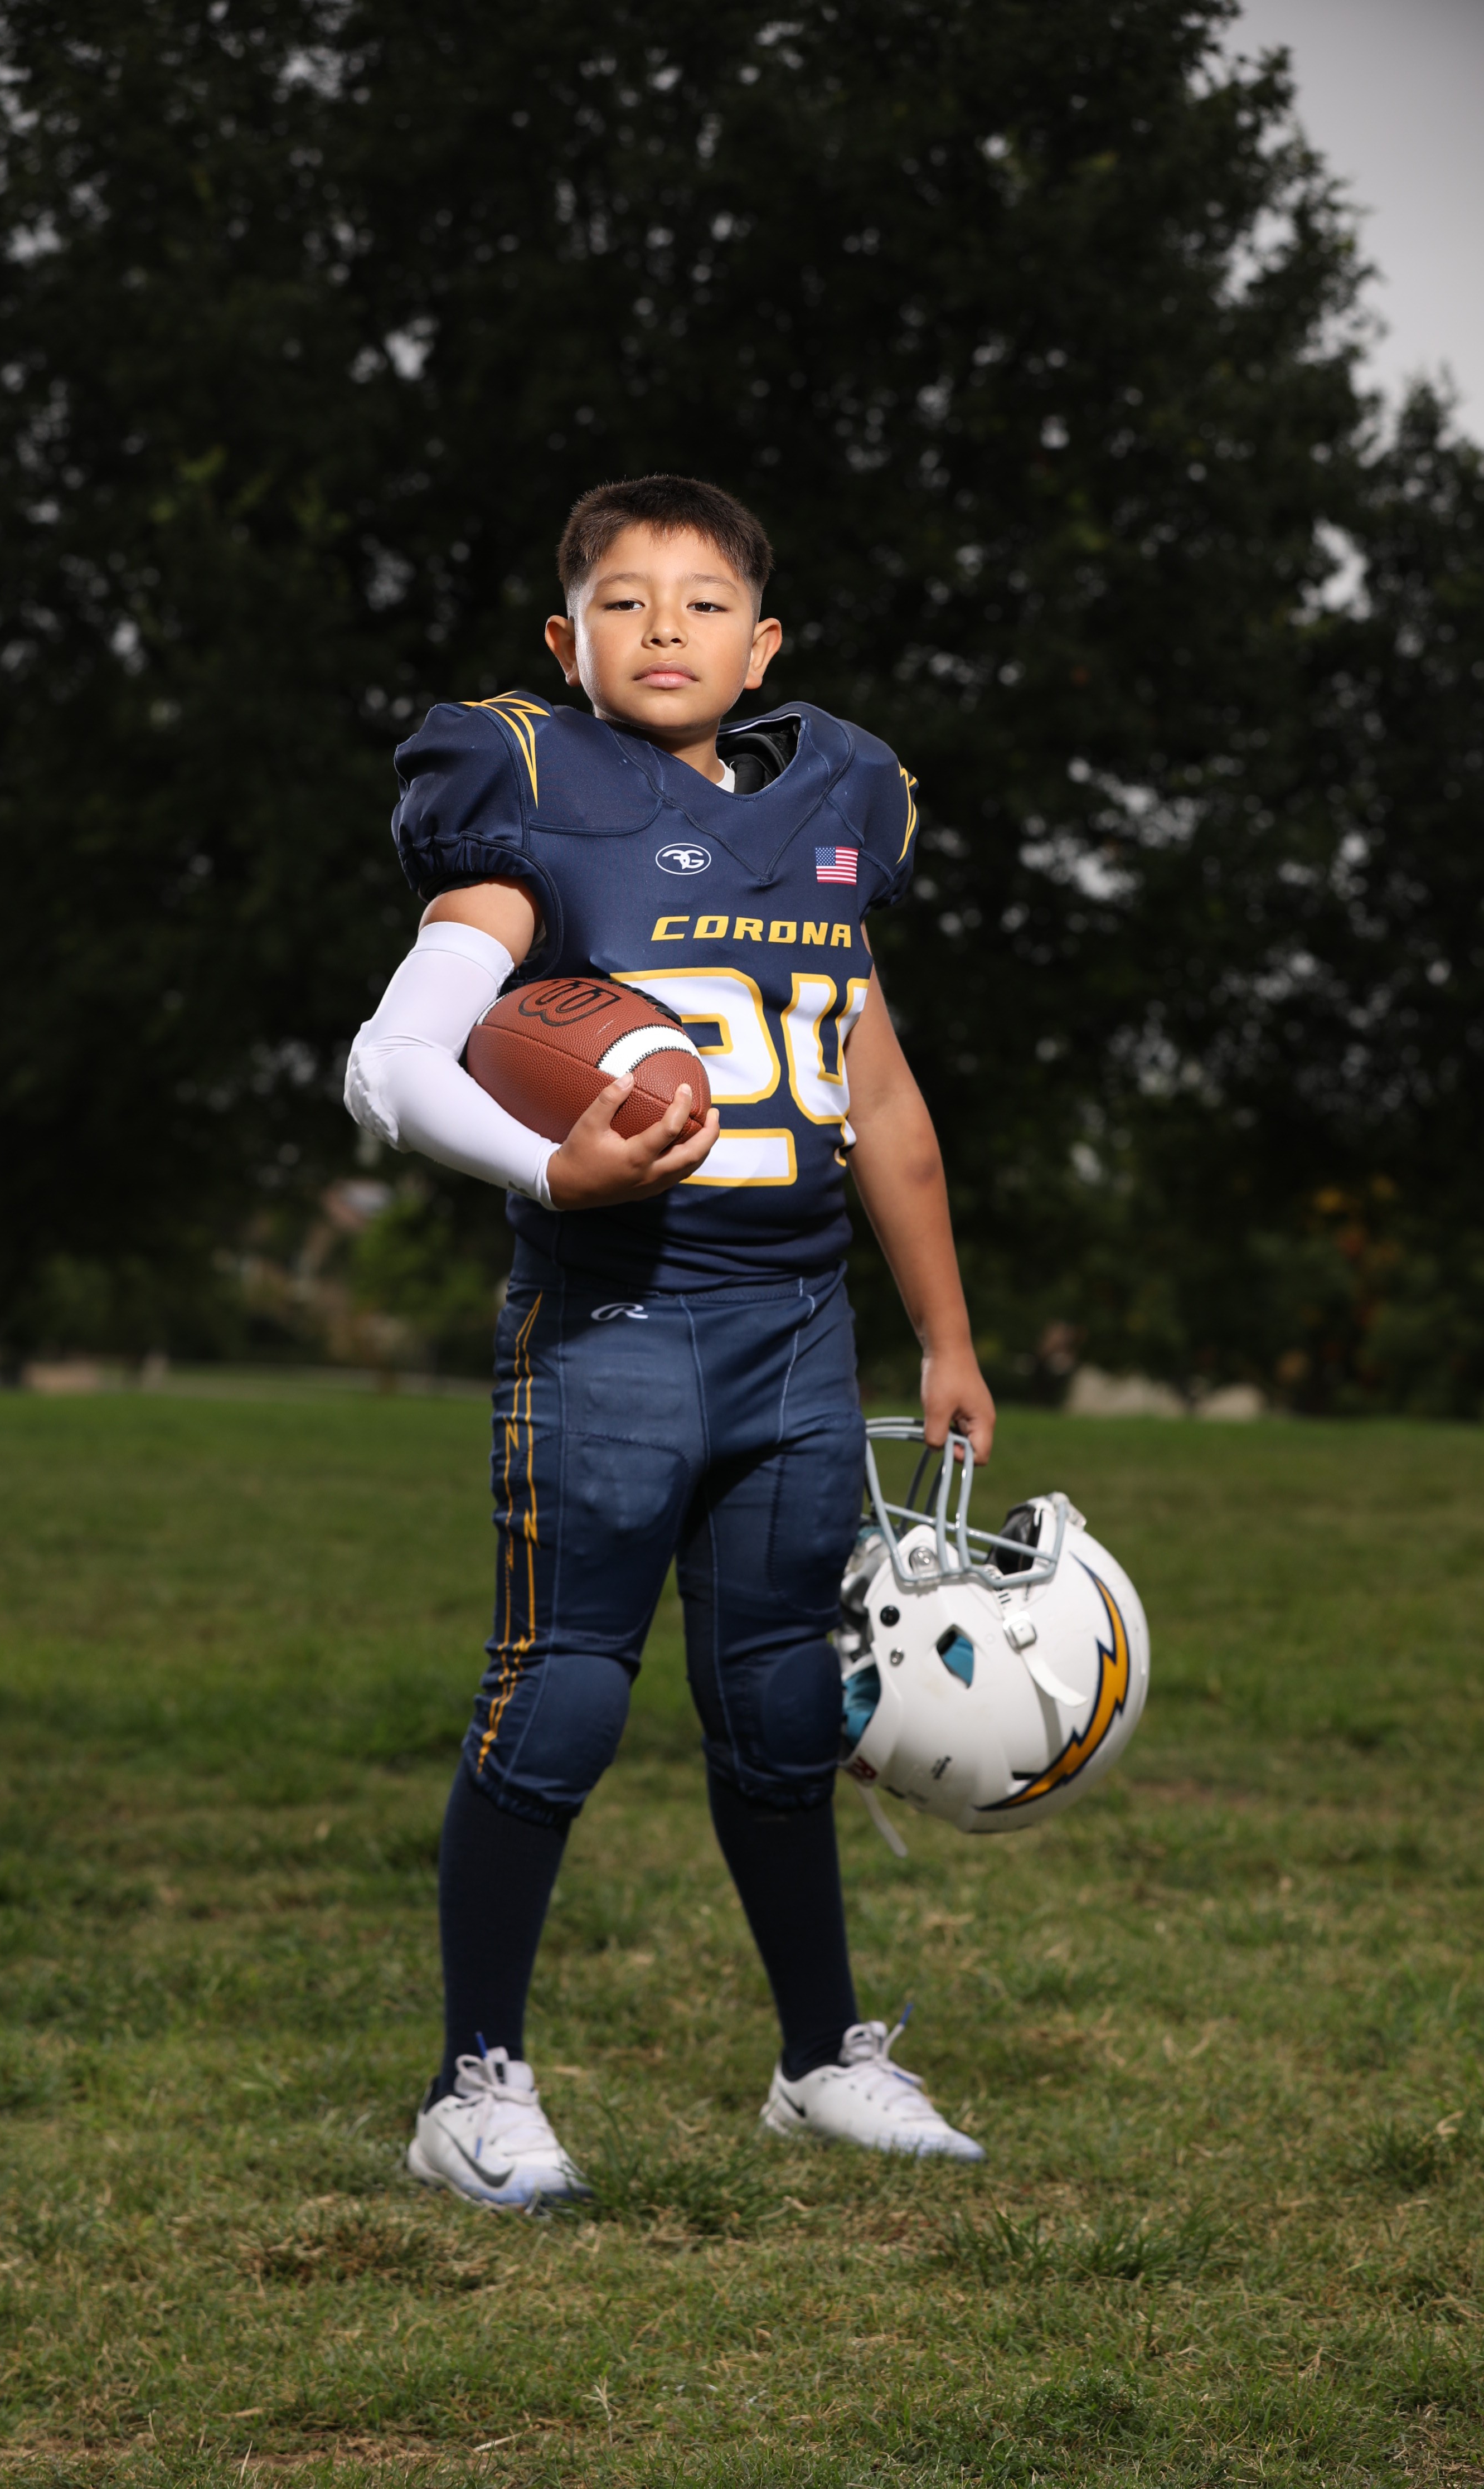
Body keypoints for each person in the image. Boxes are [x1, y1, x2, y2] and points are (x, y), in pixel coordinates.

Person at [345, 474, 996, 2209]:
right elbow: (392, 1062)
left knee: (781, 1710)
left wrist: (944, 1332)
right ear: (564, 642)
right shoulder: (532, 800)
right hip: (615, 1328)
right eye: (621, 601)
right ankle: (472, 2084)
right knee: (560, 1696)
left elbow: (881, 1103)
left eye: (703, 603)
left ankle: (822, 2060)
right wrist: (551, 1164)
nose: (662, 630)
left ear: (762, 645)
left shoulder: (839, 803)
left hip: (799, 1336)